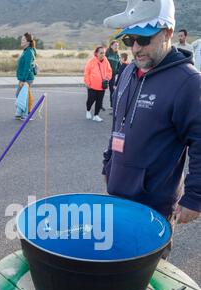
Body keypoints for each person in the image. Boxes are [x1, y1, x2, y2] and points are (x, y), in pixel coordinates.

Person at [102, 0, 201, 227]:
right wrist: (108, 163)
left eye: (144, 39)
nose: (135, 48)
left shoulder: (188, 82)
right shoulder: (128, 72)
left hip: (154, 207)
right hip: (117, 194)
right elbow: (118, 123)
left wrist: (195, 197)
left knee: (142, 263)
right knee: (112, 258)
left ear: (167, 33)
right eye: (129, 39)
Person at [84, 46, 112, 122]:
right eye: (101, 53)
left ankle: (96, 115)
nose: (103, 54)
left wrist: (107, 78)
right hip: (92, 86)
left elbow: (109, 71)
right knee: (90, 100)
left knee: (99, 101)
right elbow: (87, 73)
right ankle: (88, 111)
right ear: (96, 53)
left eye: (104, 53)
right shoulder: (91, 61)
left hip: (102, 86)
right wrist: (87, 82)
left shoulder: (106, 61)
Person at [15, 33, 36, 120]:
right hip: (23, 78)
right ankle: (20, 113)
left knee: (23, 96)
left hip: (27, 78)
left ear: (28, 42)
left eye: (23, 40)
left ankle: (25, 115)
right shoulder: (26, 51)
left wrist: (23, 80)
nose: (21, 41)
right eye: (21, 39)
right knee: (20, 95)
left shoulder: (29, 52)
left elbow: (27, 67)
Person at [105, 41, 120, 109]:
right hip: (105, 74)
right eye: (115, 45)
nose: (116, 46)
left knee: (112, 90)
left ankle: (112, 105)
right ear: (111, 46)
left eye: (117, 45)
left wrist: (118, 71)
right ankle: (99, 105)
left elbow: (118, 66)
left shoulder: (117, 55)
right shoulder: (107, 54)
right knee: (100, 90)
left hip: (113, 75)